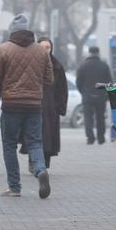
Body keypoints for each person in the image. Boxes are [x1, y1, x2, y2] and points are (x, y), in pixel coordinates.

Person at [0, 13, 54, 199]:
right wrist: (36, 90)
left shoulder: (3, 49)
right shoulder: (41, 51)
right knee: (35, 142)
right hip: (34, 105)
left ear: (12, 31)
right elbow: (49, 79)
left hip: (11, 105)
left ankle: (15, 187)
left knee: (9, 145)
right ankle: (40, 170)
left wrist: (5, 91)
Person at [36, 37, 68, 168]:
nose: (45, 50)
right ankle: (35, 161)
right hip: (34, 105)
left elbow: (62, 89)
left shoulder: (57, 66)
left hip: (51, 108)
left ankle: (45, 163)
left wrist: (60, 107)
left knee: (49, 137)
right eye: (42, 47)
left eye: (47, 47)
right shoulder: (31, 64)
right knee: (34, 136)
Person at [75, 45, 113, 144]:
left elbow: (78, 82)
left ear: (89, 53)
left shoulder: (83, 66)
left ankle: (90, 138)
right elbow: (109, 82)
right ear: (98, 53)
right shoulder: (104, 65)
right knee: (100, 117)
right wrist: (107, 95)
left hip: (87, 96)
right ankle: (101, 138)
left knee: (88, 118)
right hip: (101, 96)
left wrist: (83, 92)